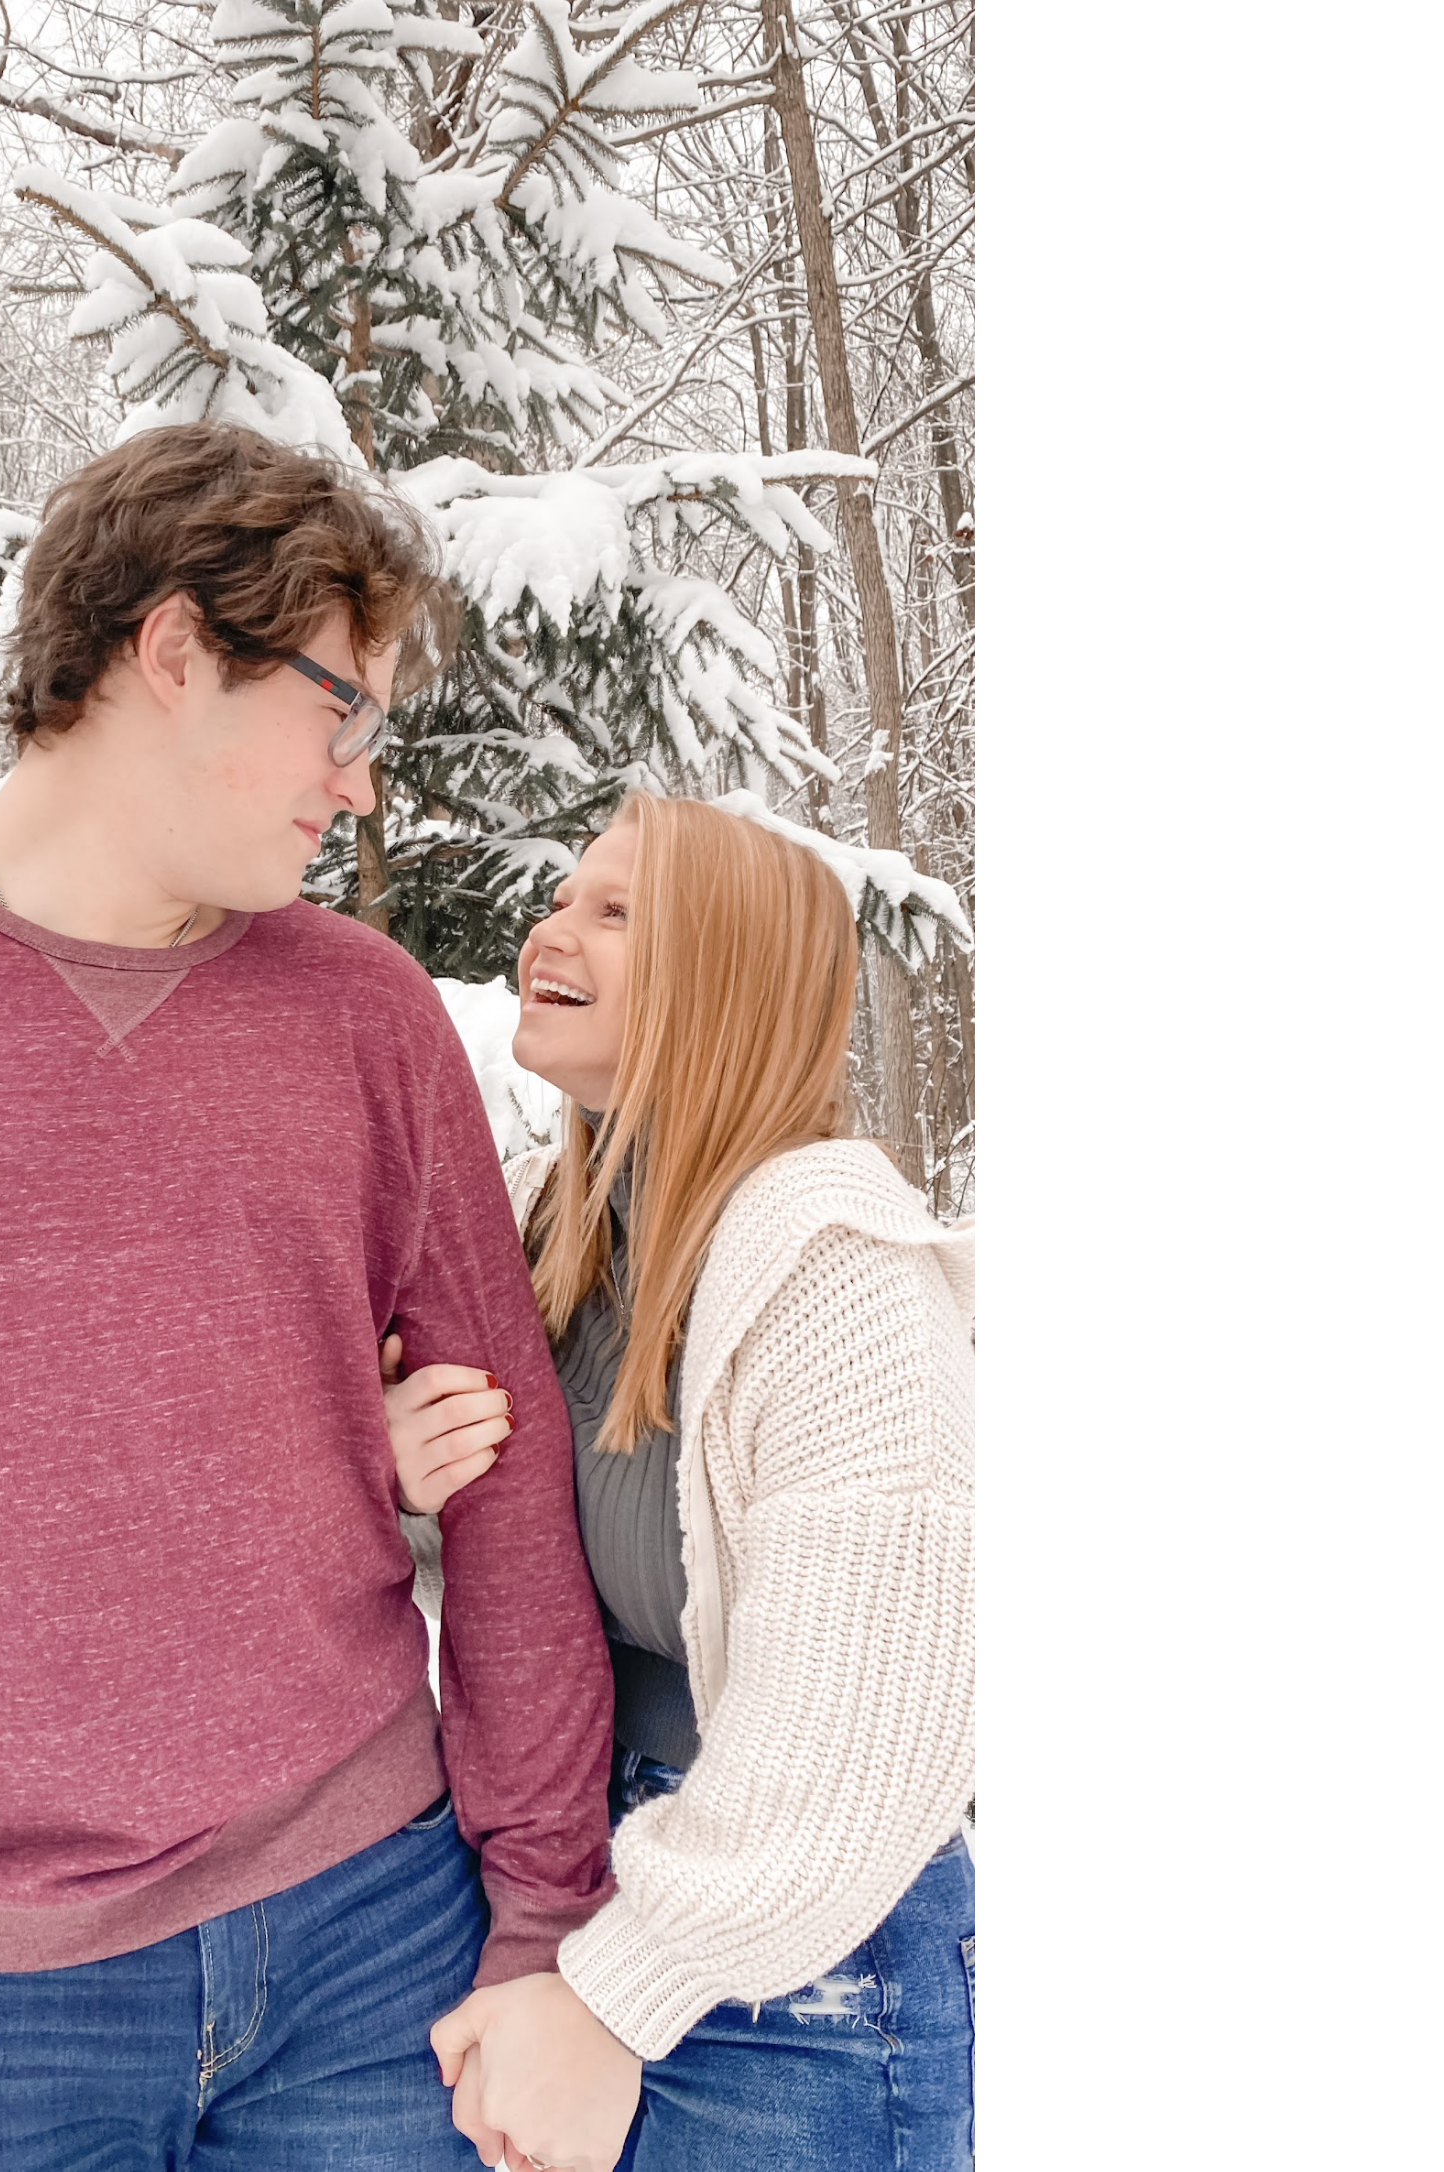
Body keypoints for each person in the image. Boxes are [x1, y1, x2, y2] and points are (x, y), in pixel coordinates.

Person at [0, 420, 617, 2172]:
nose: (363, 782)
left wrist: (548, 1926)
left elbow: (512, 1473)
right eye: (344, 711)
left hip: (372, 1948)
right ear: (176, 651)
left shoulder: (365, 1014)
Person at [392, 796, 975, 2172]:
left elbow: (868, 1741)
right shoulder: (546, 1225)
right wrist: (402, 1475)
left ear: (723, 974)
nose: (554, 925)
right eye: (565, 893)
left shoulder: (840, 1276)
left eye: (617, 910)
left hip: (797, 1966)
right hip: (571, 1881)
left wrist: (616, 1989)